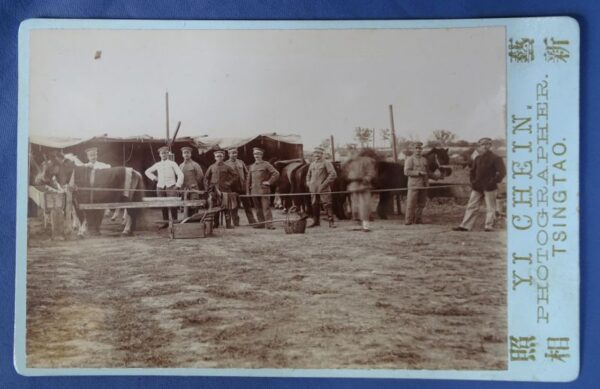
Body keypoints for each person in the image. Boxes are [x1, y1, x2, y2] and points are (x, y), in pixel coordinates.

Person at [453, 137, 506, 232]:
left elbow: (502, 172)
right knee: (471, 206)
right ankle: (465, 226)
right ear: (480, 146)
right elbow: (472, 172)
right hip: (477, 187)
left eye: (487, 144)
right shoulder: (477, 158)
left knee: (491, 207)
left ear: (490, 146)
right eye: (482, 144)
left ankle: (488, 226)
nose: (485, 146)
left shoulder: (496, 158)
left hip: (490, 187)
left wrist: (493, 181)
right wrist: (473, 181)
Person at [145, 146, 184, 227]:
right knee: (163, 205)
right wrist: (154, 178)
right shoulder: (157, 164)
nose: (164, 154)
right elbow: (147, 172)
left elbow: (180, 174)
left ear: (168, 154)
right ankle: (165, 222)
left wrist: (177, 185)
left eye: (165, 153)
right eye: (162, 153)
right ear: (159, 155)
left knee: (173, 204)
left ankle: (174, 222)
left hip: (171, 186)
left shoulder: (173, 163)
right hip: (160, 187)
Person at [343, 148, 377, 232]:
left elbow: (371, 172)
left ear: (358, 152)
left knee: (364, 206)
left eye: (353, 151)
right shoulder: (349, 163)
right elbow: (345, 173)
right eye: (350, 152)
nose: (352, 153)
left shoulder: (366, 161)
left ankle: (366, 226)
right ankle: (357, 225)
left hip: (363, 186)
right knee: (354, 207)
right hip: (353, 186)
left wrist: (366, 179)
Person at [204, 149, 238, 229]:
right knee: (215, 207)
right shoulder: (211, 167)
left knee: (226, 207)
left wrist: (229, 183)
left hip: (225, 191)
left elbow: (236, 176)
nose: (219, 158)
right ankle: (216, 224)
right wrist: (208, 188)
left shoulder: (227, 167)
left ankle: (228, 224)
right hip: (214, 191)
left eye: (220, 156)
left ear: (223, 157)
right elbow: (206, 178)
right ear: (215, 157)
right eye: (217, 156)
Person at [247, 147, 279, 229]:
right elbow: (248, 180)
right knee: (257, 209)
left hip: (264, 190)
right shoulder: (252, 166)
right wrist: (248, 191)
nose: (256, 155)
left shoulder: (266, 164)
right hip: (254, 190)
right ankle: (261, 223)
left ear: (261, 155)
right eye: (255, 154)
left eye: (258, 154)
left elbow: (276, 173)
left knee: (266, 208)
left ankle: (269, 224)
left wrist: (269, 182)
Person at [306, 146, 337, 228]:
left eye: (319, 153)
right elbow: (308, 175)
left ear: (322, 154)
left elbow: (333, 174)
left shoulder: (326, 163)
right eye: (315, 153)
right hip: (313, 189)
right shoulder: (312, 164)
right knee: (314, 204)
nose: (317, 155)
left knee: (327, 204)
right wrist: (308, 182)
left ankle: (331, 222)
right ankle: (316, 222)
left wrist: (324, 184)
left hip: (324, 188)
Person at [225, 147, 257, 226]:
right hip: (232, 188)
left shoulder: (241, 162)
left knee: (247, 205)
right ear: (229, 154)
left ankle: (252, 221)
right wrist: (228, 184)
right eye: (232, 153)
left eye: (235, 153)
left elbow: (246, 174)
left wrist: (247, 184)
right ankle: (236, 222)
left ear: (237, 153)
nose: (233, 155)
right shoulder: (225, 164)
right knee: (234, 206)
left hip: (242, 187)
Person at [403, 141, 429, 225]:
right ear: (413, 149)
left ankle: (418, 219)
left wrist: (436, 177)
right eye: (416, 148)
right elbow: (406, 172)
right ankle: (408, 220)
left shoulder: (424, 159)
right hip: (414, 185)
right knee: (411, 203)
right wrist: (418, 173)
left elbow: (427, 172)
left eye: (420, 148)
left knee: (421, 203)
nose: (418, 150)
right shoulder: (410, 159)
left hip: (423, 184)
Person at [179, 146, 204, 217]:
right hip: (184, 189)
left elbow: (200, 175)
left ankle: (194, 220)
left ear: (190, 154)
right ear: (182, 154)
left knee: (194, 204)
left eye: (188, 153)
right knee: (185, 205)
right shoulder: (181, 166)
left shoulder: (195, 164)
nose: (186, 154)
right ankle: (187, 221)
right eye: (184, 153)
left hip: (193, 189)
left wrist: (194, 184)